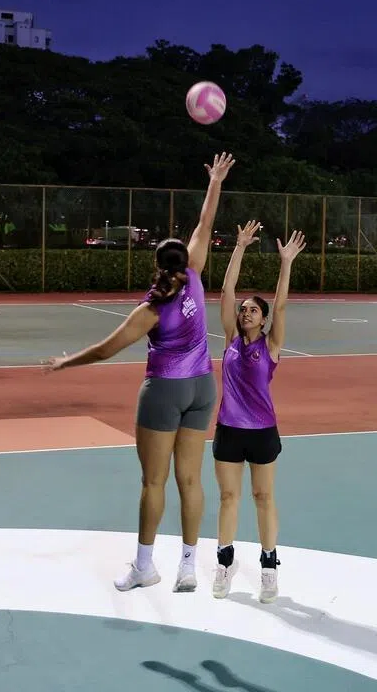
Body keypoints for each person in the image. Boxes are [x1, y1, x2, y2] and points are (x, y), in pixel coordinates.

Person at [43, 152, 236, 592]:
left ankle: (145, 566)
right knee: (191, 479)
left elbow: (105, 350)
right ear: (183, 261)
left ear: (156, 265)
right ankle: (189, 566)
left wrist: (64, 362)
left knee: (153, 482)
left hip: (165, 393)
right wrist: (215, 182)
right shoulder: (196, 275)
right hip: (204, 388)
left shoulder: (151, 310)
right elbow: (206, 223)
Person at [211, 220, 307, 604]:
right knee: (228, 498)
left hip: (263, 431)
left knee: (263, 497)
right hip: (228, 430)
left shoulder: (271, 346)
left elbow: (281, 303)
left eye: (253, 310)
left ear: (264, 319)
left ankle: (269, 567)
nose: (246, 311)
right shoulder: (231, 340)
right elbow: (226, 290)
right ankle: (225, 561)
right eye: (244, 309)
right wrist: (239, 247)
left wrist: (286, 263)